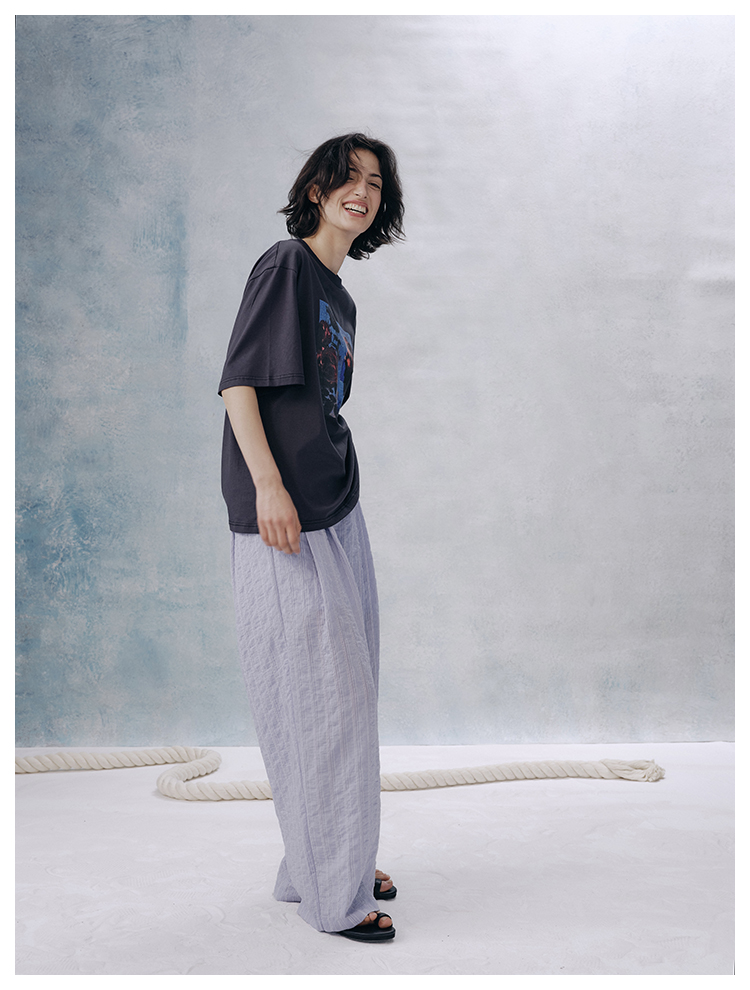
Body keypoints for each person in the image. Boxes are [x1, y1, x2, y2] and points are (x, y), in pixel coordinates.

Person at [218, 134, 405, 942]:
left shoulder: (338, 294)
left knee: (343, 694)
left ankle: (323, 862)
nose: (361, 191)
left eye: (375, 183)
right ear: (317, 190)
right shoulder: (286, 265)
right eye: (348, 178)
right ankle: (336, 895)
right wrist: (267, 485)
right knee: (320, 700)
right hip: (285, 514)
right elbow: (240, 383)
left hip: (334, 506)